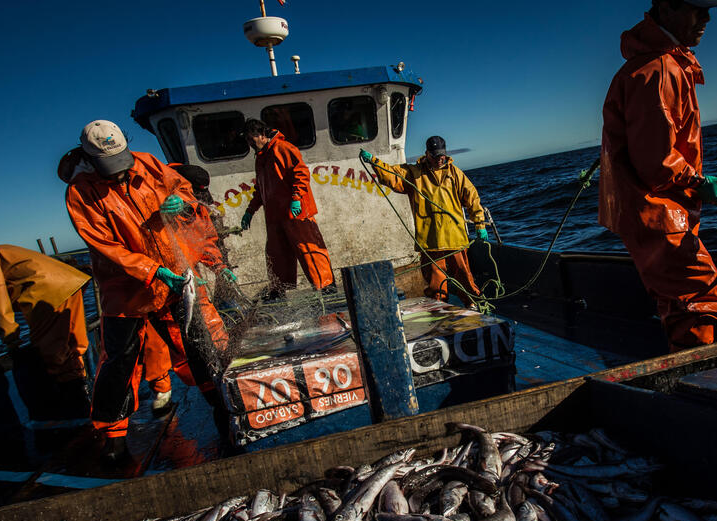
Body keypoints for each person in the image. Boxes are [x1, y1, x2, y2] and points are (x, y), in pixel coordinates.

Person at [64, 119, 231, 461]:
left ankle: (222, 409)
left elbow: (185, 193)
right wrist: (153, 271)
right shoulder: (80, 192)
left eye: (121, 163)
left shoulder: (148, 163)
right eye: (109, 168)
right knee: (120, 363)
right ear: (89, 159)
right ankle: (113, 441)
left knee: (199, 345)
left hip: (174, 279)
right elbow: (106, 247)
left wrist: (179, 204)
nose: (119, 174)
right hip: (126, 290)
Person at [599, 0, 717, 351]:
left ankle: (687, 371)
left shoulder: (655, 66)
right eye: (698, 9)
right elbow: (657, 163)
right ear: (669, 8)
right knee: (699, 294)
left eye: (709, 11)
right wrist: (699, 184)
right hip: (658, 212)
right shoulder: (660, 70)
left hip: (652, 211)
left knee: (677, 299)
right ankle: (700, 379)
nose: (706, 18)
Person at [0, 239, 91, 420]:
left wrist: (11, 340)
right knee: (74, 345)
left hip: (46, 294)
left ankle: (76, 409)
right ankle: (87, 397)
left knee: (51, 353)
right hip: (69, 284)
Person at [360, 136, 488, 308]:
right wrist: (374, 162)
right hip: (430, 241)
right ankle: (440, 310)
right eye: (435, 155)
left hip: (455, 238)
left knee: (464, 276)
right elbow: (392, 175)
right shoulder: (414, 173)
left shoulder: (455, 173)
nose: (440, 159)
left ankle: (474, 305)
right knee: (436, 283)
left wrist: (479, 223)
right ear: (427, 154)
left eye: (442, 155)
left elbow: (472, 197)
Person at [240, 119, 337, 298]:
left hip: (296, 213)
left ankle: (327, 288)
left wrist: (297, 198)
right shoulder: (260, 158)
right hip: (275, 217)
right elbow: (260, 190)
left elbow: (301, 173)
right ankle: (278, 292)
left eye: (251, 139)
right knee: (276, 255)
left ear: (261, 134)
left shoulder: (283, 148)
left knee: (308, 250)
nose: (250, 144)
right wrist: (250, 211)